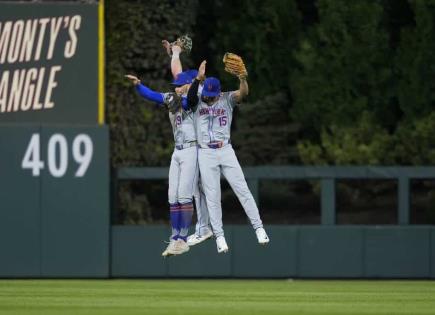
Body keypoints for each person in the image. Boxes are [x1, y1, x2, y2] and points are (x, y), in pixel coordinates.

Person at [187, 60, 270, 253]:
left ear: (218, 91)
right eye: (205, 94)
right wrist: (198, 79)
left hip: (225, 150)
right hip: (206, 152)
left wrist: (242, 79)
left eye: (210, 95)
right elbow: (191, 97)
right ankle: (220, 237)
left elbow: (244, 93)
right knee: (213, 197)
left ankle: (259, 228)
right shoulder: (198, 99)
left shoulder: (227, 98)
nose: (207, 98)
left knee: (243, 189)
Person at [125, 68, 199, 257]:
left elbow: (190, 101)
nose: (176, 88)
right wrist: (138, 85)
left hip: (192, 149)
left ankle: (183, 238)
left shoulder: (196, 99)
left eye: (180, 85)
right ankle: (175, 239)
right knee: (172, 196)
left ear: (189, 85)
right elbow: (151, 95)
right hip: (178, 151)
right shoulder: (171, 97)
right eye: (175, 86)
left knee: (184, 195)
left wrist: (182, 95)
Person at [161, 39, 214, 246]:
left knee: (198, 189)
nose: (178, 86)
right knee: (194, 190)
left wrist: (176, 54)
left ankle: (203, 228)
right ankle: (198, 228)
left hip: (204, 144)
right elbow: (178, 75)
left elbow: (186, 84)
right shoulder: (188, 88)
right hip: (195, 144)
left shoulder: (197, 93)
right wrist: (175, 53)